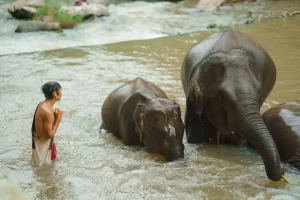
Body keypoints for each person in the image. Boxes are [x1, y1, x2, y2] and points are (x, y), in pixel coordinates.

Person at [31, 81, 63, 167]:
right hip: (43, 146)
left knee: (51, 167)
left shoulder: (42, 104)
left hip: (41, 142)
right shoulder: (47, 111)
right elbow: (49, 135)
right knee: (45, 171)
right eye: (60, 92)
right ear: (54, 94)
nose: (61, 93)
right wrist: (58, 119)